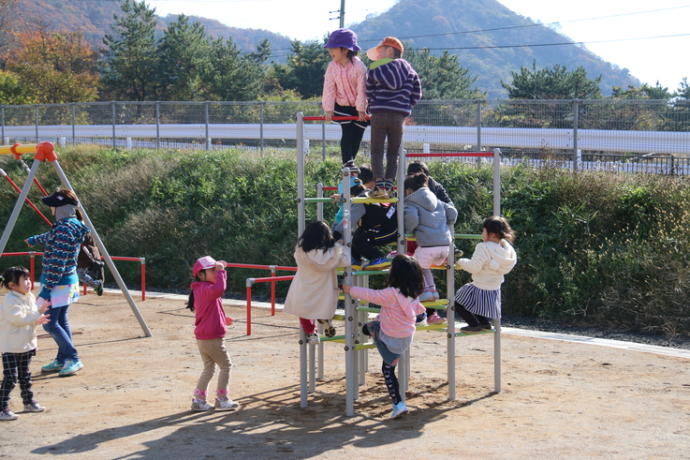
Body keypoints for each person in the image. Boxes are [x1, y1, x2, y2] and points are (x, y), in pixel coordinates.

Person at [342, 254, 425, 419]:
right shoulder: (413, 293)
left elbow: (370, 295)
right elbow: (420, 312)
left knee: (385, 365)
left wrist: (349, 289)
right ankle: (398, 403)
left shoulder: (390, 293)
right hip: (405, 338)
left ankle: (399, 404)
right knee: (389, 366)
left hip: (389, 338)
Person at [25, 189, 89, 377]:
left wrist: (46, 290)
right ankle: (63, 359)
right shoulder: (72, 225)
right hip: (67, 281)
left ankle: (73, 357)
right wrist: (36, 239)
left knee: (49, 323)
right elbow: (51, 237)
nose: (50, 209)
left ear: (61, 208)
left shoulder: (63, 228)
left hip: (57, 283)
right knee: (60, 320)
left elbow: (57, 263)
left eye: (52, 205)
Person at [365, 36, 422, 198]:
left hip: (379, 114)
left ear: (389, 50)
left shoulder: (375, 68)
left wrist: (373, 104)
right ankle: (389, 184)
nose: (378, 56)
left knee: (376, 151)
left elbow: (368, 90)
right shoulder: (410, 70)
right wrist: (405, 106)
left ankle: (379, 184)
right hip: (398, 117)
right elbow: (417, 94)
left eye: (380, 51)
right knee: (393, 153)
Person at [187, 256, 239, 412]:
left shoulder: (202, 289)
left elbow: (211, 309)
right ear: (201, 275)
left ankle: (198, 400)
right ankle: (222, 399)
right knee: (226, 365)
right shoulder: (206, 289)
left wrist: (223, 318)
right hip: (212, 337)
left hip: (204, 338)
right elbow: (219, 289)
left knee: (208, 369)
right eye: (212, 270)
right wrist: (222, 272)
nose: (216, 272)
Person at [404, 173, 457, 324]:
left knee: (414, 266)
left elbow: (412, 219)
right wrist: (447, 223)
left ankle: (426, 292)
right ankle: (432, 290)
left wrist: (408, 230)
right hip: (445, 248)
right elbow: (452, 212)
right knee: (424, 267)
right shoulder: (437, 200)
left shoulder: (410, 202)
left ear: (408, 191)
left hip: (428, 246)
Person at [284, 221, 349, 344]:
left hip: (303, 283)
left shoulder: (300, 249)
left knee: (302, 310)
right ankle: (325, 319)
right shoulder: (331, 252)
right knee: (324, 306)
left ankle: (311, 333)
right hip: (324, 285)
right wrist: (340, 245)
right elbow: (345, 261)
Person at [0, 266, 50, 421]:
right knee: (11, 377)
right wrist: (37, 315)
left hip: (26, 344)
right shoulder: (9, 300)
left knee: (25, 376)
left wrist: (38, 317)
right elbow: (19, 319)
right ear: (12, 285)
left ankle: (28, 402)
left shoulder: (29, 296)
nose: (28, 282)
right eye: (24, 280)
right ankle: (2, 407)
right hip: (11, 346)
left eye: (28, 279)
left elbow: (30, 318)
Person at [455, 217, 517, 332]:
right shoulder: (507, 250)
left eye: (483, 231)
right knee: (475, 303)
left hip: (480, 285)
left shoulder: (483, 247)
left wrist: (461, 262)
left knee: (457, 302)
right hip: (494, 288)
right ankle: (484, 323)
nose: (482, 234)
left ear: (492, 234)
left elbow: (474, 267)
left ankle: (474, 324)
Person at [333, 166, 398, 270]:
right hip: (388, 226)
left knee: (360, 239)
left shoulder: (359, 202)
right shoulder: (367, 194)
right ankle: (355, 260)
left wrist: (335, 235)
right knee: (358, 234)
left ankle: (378, 257)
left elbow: (348, 221)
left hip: (390, 230)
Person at [322, 28, 369, 170]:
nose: (331, 52)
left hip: (359, 105)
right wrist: (328, 109)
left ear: (346, 50)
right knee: (348, 130)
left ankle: (350, 162)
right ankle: (347, 163)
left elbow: (362, 89)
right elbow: (329, 88)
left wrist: (361, 109)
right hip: (342, 106)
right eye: (330, 49)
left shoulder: (359, 67)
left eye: (334, 48)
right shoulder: (332, 67)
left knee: (358, 132)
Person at [77, 231, 104, 296]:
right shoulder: (86, 231)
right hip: (91, 255)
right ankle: (97, 284)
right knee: (80, 274)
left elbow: (83, 245)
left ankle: (97, 284)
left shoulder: (81, 232)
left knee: (80, 275)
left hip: (87, 256)